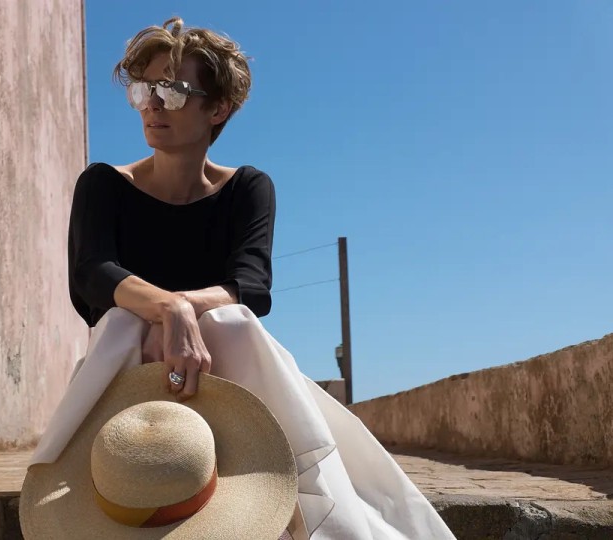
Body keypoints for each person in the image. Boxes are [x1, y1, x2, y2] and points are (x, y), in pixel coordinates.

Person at [27, 17, 455, 539]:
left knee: (230, 322)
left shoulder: (249, 188)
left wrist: (186, 313)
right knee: (123, 320)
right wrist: (170, 310)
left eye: (172, 91)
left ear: (218, 109)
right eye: (143, 89)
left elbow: (251, 285)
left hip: (227, 369)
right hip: (127, 373)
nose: (152, 105)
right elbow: (91, 274)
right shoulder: (103, 185)